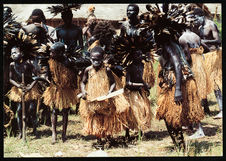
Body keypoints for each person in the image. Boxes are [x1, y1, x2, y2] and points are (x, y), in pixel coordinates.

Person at [79, 46, 130, 147]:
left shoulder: (107, 70)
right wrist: (83, 91)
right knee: (95, 117)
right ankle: (99, 139)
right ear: (90, 59)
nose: (96, 62)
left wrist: (110, 92)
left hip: (105, 98)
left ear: (102, 59)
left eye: (98, 59)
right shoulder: (88, 70)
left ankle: (108, 138)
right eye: (93, 59)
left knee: (107, 117)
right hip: (92, 99)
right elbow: (83, 82)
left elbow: (112, 83)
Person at [6, 31, 45, 138]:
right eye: (11, 53)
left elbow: (36, 77)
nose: (12, 55)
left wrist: (30, 87)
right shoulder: (12, 65)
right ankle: (21, 131)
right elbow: (10, 79)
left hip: (30, 88)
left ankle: (35, 129)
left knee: (32, 109)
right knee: (19, 110)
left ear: (22, 53)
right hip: (19, 89)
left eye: (15, 52)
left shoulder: (28, 64)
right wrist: (18, 86)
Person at [42, 42, 79, 144]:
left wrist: (72, 84)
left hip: (66, 90)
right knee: (54, 110)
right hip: (54, 89)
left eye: (53, 52)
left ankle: (64, 133)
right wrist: (48, 81)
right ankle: (54, 133)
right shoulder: (50, 62)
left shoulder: (68, 62)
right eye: (50, 52)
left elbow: (74, 75)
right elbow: (47, 75)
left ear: (60, 52)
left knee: (65, 111)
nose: (51, 54)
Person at [192, 7, 222, 119]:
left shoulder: (210, 25)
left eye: (196, 18)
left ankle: (222, 109)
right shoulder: (197, 26)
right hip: (202, 56)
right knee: (202, 82)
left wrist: (204, 41)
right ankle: (206, 108)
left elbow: (218, 41)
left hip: (213, 56)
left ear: (201, 16)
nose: (194, 21)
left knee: (215, 83)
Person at [179, 28, 208, 139]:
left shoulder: (182, 38)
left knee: (192, 97)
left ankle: (199, 130)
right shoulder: (195, 35)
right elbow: (204, 48)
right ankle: (190, 125)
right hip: (200, 65)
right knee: (194, 96)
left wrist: (181, 67)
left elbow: (187, 58)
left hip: (193, 68)